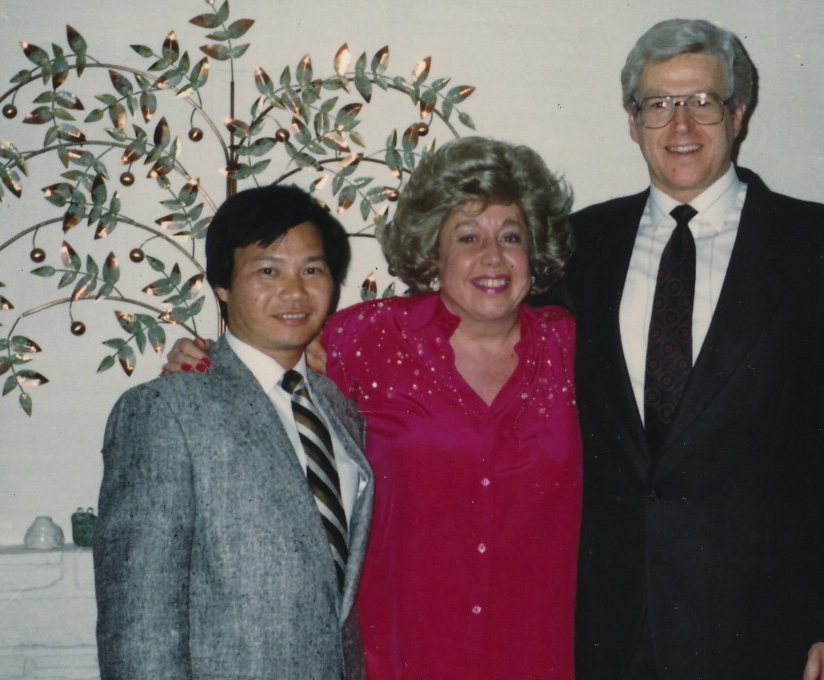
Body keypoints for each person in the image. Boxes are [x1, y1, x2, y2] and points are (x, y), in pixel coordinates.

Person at [554, 19, 824, 680]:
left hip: (770, 631)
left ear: (738, 114)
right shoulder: (577, 247)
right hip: (609, 630)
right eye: (659, 104)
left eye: (703, 102)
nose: (680, 125)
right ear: (632, 122)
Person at [166, 137, 582, 679]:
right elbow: (264, 365)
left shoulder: (576, 349)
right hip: (400, 656)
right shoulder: (370, 337)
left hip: (536, 656)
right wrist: (200, 363)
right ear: (433, 253)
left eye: (511, 236)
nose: (492, 257)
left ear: (535, 251)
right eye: (467, 236)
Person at [94, 185, 373, 680]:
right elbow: (139, 625)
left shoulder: (340, 410)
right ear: (222, 285)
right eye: (268, 271)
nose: (294, 291)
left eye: (312, 270)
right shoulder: (167, 409)